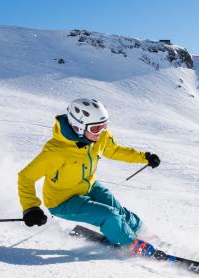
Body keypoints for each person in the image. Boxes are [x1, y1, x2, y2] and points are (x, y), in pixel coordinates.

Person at [17, 98, 162, 256]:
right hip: (63, 201)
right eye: (95, 128)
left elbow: (113, 150)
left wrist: (144, 157)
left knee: (119, 211)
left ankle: (142, 233)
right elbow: (26, 177)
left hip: (89, 186)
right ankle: (131, 245)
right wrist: (30, 208)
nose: (101, 132)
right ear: (78, 127)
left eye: (104, 126)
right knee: (109, 215)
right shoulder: (55, 152)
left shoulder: (99, 137)